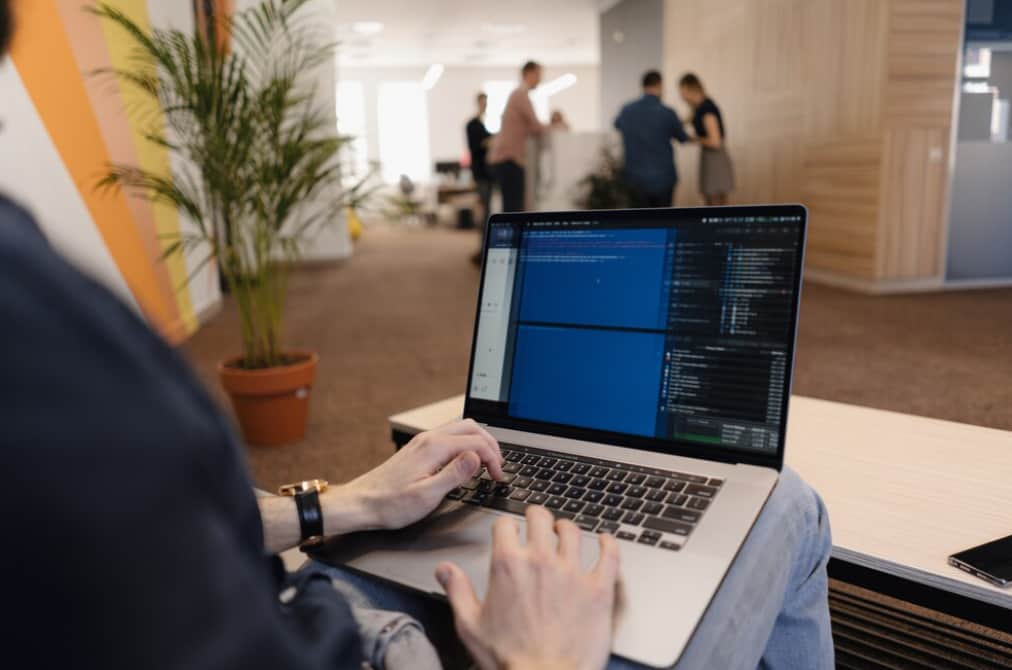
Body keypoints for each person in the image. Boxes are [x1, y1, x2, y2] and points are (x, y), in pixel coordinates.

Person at [0, 5, 835, 667]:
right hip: (351, 639)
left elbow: (158, 538)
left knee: (509, 494)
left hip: (306, 596)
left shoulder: (31, 296)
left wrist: (346, 504)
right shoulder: (36, 334)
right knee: (787, 503)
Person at [488, 61, 566, 212]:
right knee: (513, 207)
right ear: (528, 74)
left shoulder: (518, 95)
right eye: (538, 74)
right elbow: (536, 126)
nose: (540, 79)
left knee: (513, 205)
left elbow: (530, 127)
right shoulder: (520, 95)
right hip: (508, 159)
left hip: (508, 159)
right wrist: (557, 126)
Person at [614, 70, 690, 208]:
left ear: (643, 87)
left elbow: (617, 125)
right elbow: (683, 138)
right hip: (663, 179)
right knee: (663, 222)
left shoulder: (626, 110)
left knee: (638, 223)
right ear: (660, 85)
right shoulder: (667, 112)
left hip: (634, 178)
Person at [678, 72, 735, 206]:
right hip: (709, 156)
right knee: (711, 200)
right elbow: (683, 121)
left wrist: (693, 139)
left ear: (688, 89)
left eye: (682, 92)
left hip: (715, 157)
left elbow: (715, 141)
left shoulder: (706, 108)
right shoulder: (698, 109)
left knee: (715, 202)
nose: (681, 97)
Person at [465, 92, 493, 226]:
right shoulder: (472, 125)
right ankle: (483, 242)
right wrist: (488, 142)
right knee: (484, 207)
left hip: (488, 171)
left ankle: (484, 241)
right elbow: (475, 146)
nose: (485, 106)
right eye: (483, 103)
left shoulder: (482, 125)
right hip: (480, 171)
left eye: (486, 103)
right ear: (478, 103)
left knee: (487, 208)